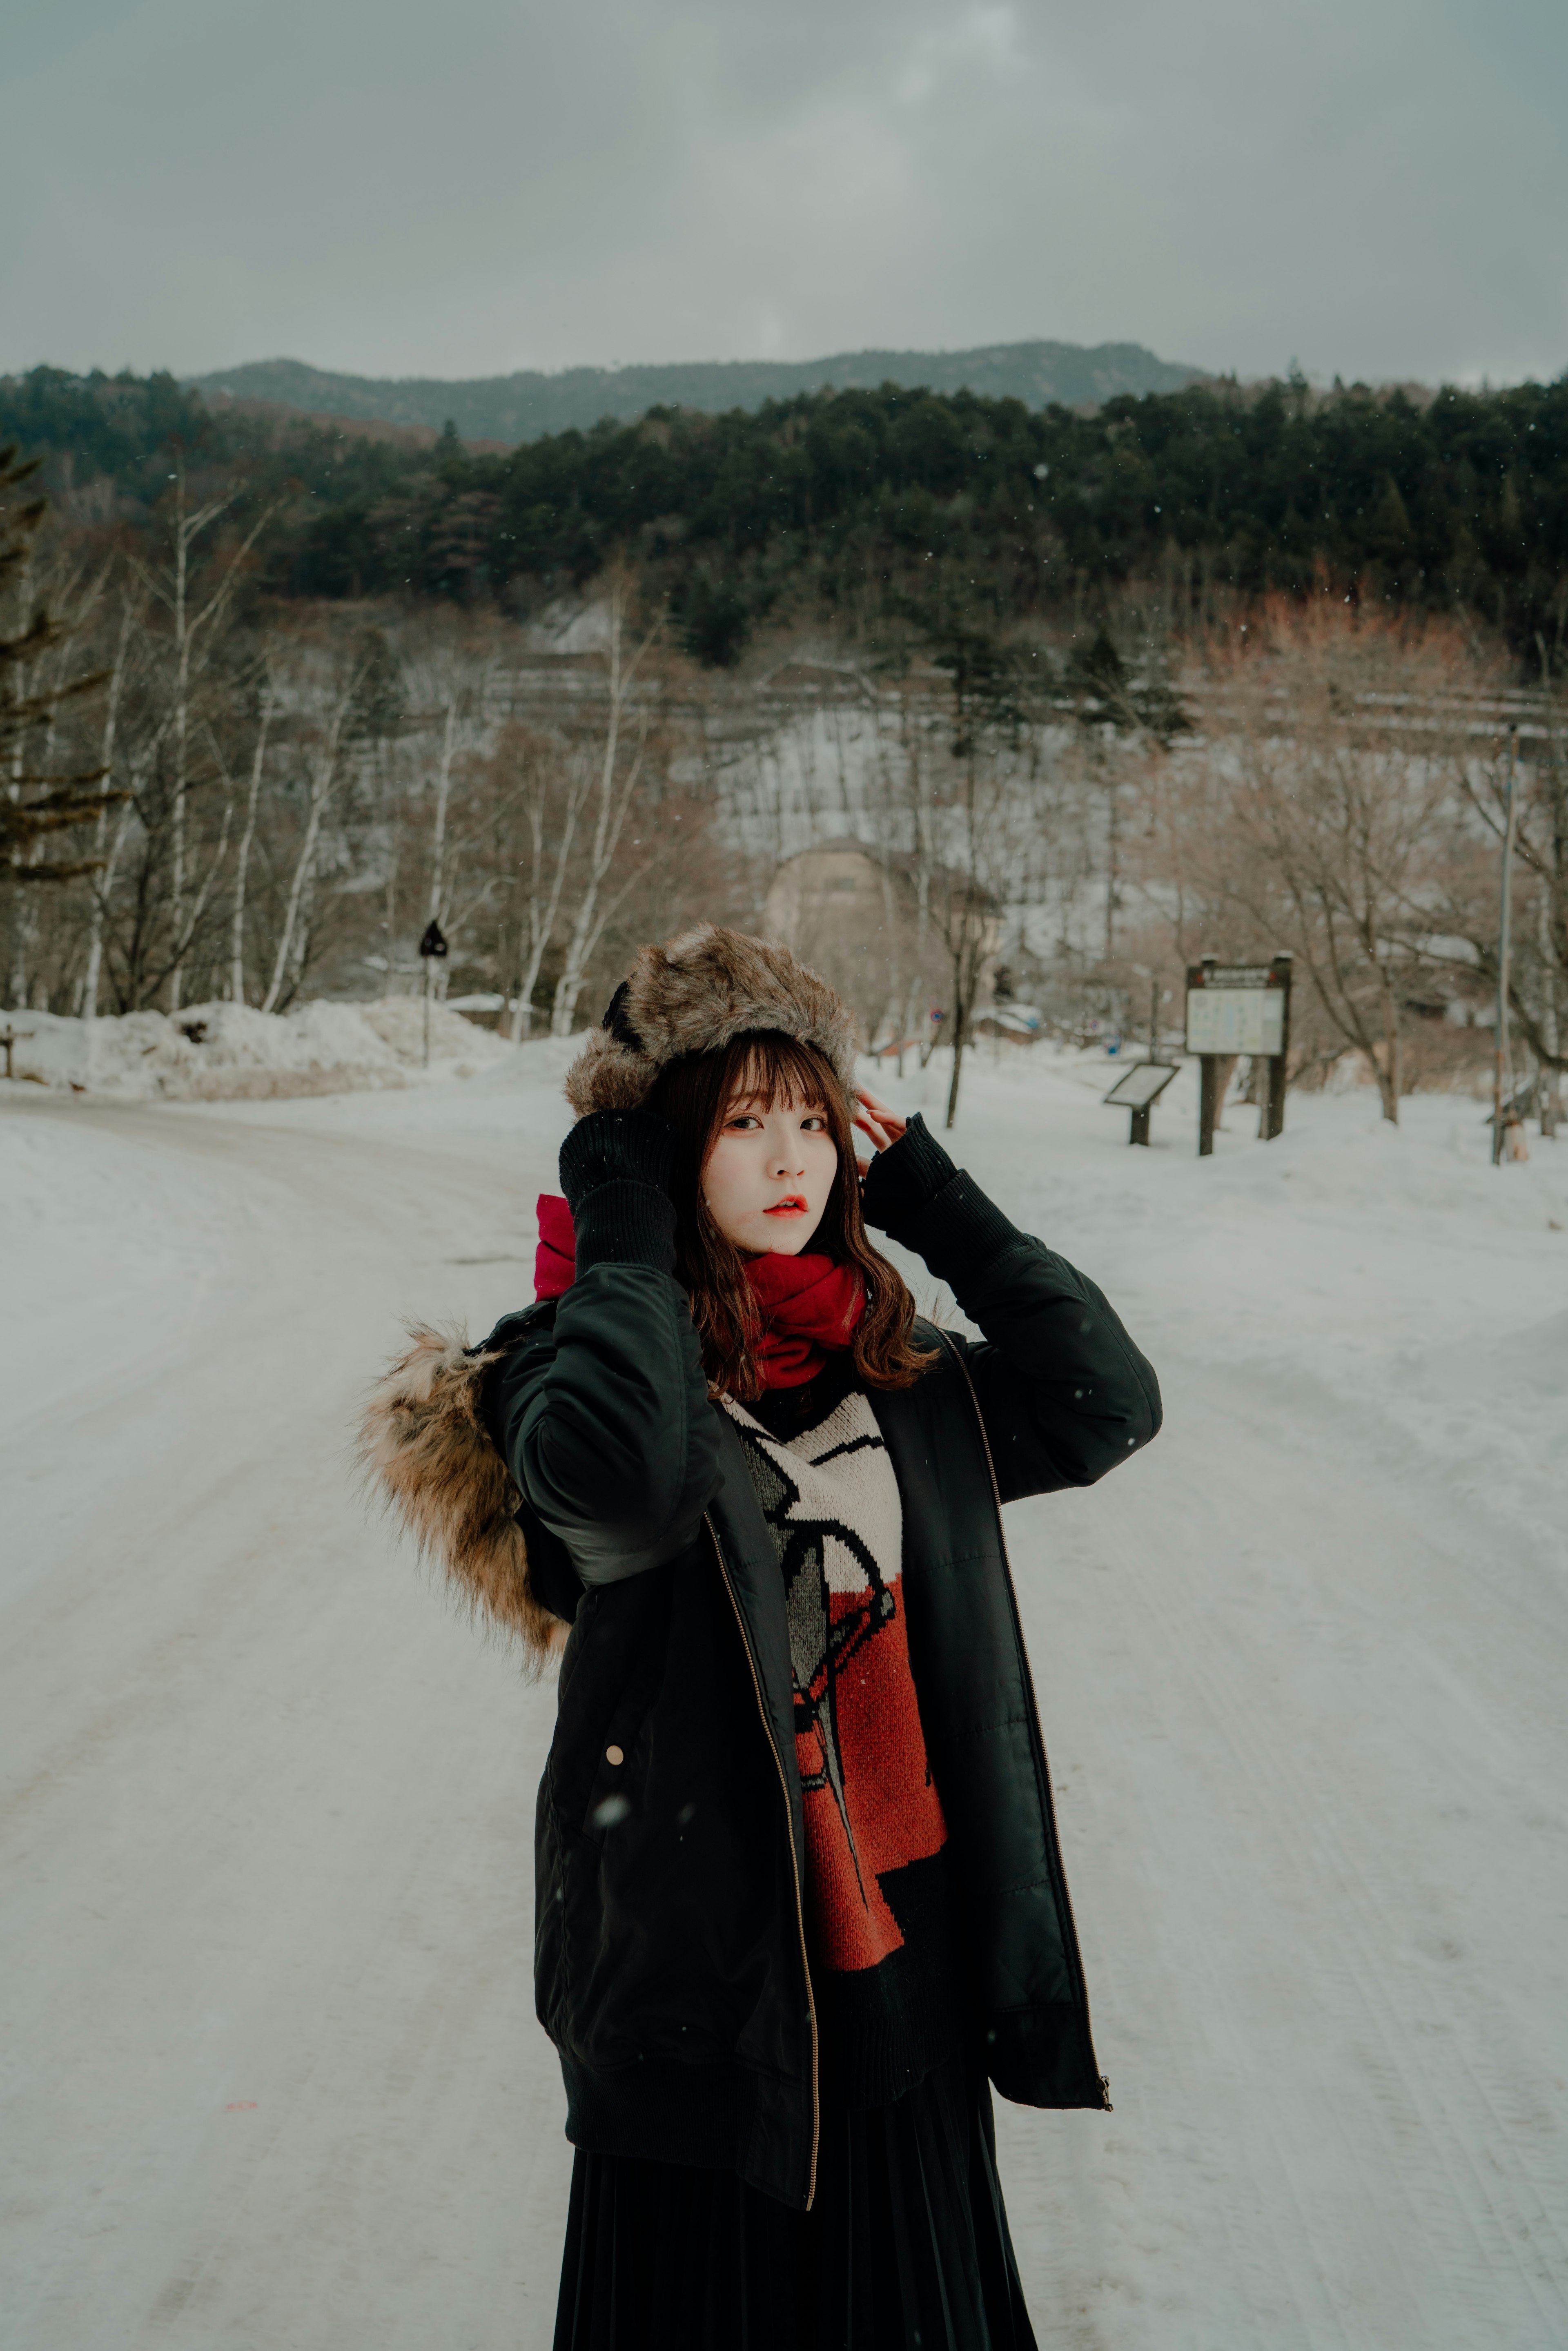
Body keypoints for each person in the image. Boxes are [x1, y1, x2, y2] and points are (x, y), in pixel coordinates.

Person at [363, 924, 1161, 2351]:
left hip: (900, 1975)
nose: (796, 1159)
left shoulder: (905, 1384)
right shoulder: (564, 1372)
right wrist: (615, 1223)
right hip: (700, 2008)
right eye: (743, 1124)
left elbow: (1108, 1402)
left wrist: (938, 1196)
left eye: (814, 1121)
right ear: (669, 1151)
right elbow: (621, 1479)